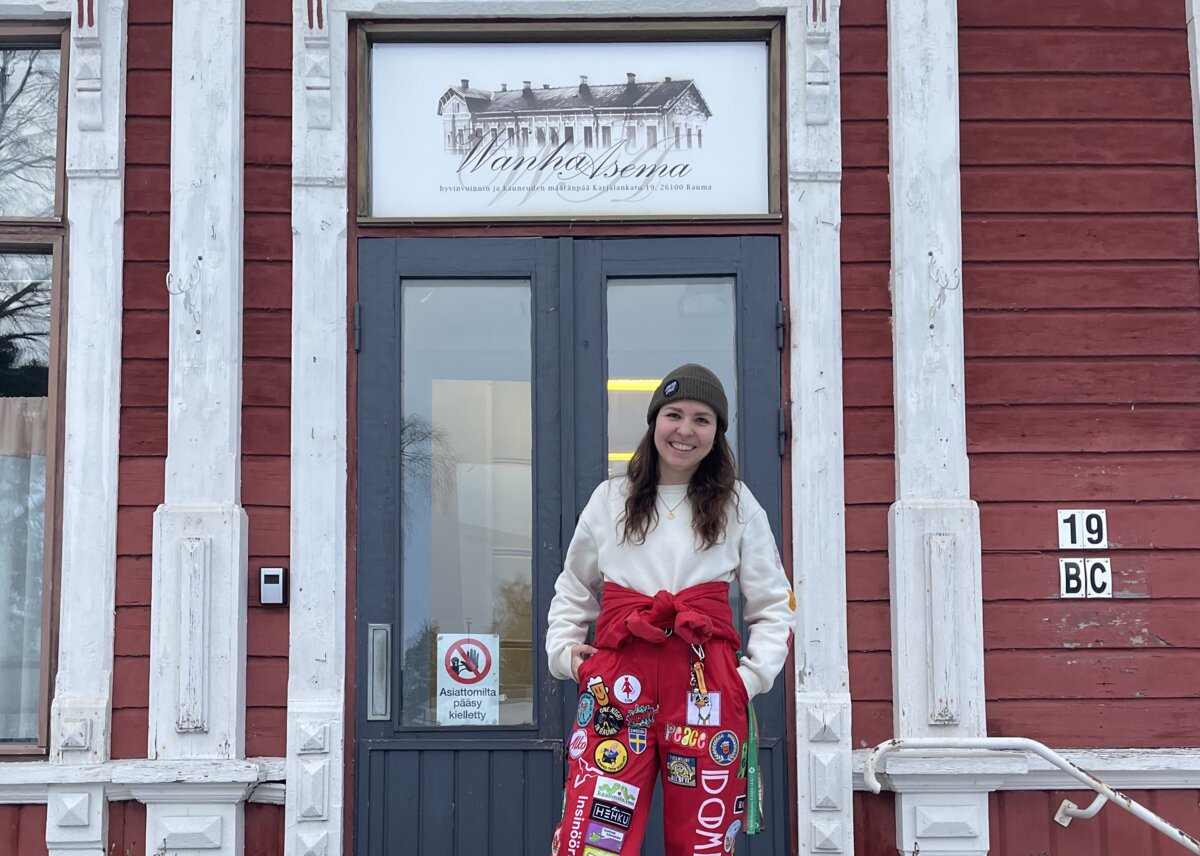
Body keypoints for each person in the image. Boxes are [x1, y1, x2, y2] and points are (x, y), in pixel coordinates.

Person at [545, 363, 795, 856]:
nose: (685, 430)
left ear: (717, 432)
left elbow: (773, 606)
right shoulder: (610, 499)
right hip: (619, 686)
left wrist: (747, 679)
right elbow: (574, 586)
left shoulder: (738, 506)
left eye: (702, 419)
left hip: (706, 689)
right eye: (674, 414)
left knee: (700, 844)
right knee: (595, 841)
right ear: (654, 421)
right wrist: (567, 657)